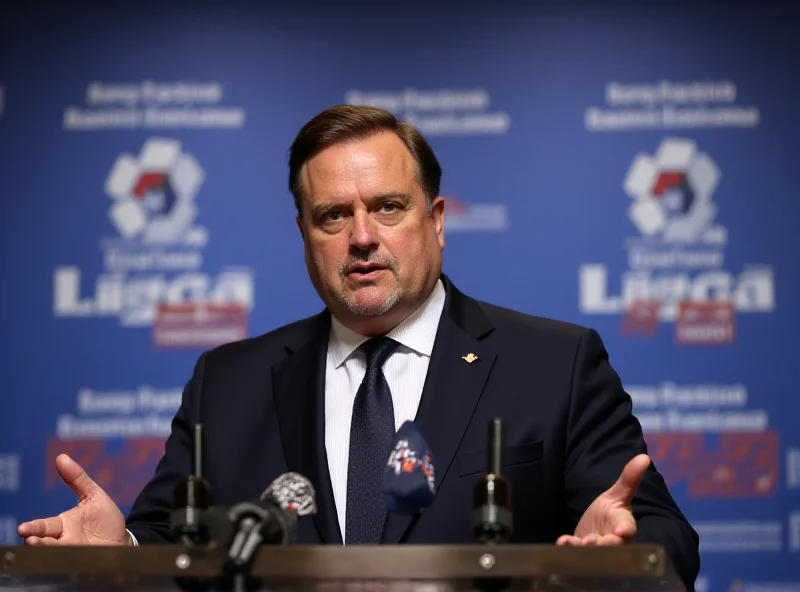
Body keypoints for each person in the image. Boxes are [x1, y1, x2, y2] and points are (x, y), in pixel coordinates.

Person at [18, 105, 700, 588]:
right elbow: (176, 550)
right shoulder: (227, 382)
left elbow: (666, 540)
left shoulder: (554, 364)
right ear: (304, 235)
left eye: (388, 207)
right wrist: (124, 552)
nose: (363, 236)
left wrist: (616, 552)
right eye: (333, 216)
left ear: (436, 221)